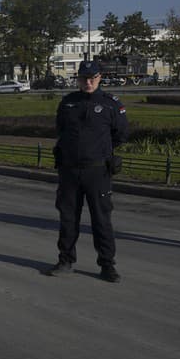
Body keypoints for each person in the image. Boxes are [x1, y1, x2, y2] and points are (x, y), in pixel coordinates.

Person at [48, 60, 129, 282]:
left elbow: (120, 134)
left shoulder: (111, 104)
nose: (88, 82)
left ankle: (107, 265)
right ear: (78, 79)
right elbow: (61, 130)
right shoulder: (68, 103)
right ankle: (65, 260)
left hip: (97, 171)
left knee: (101, 220)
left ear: (100, 78)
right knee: (68, 218)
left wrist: (99, 150)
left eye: (92, 78)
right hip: (69, 172)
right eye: (84, 78)